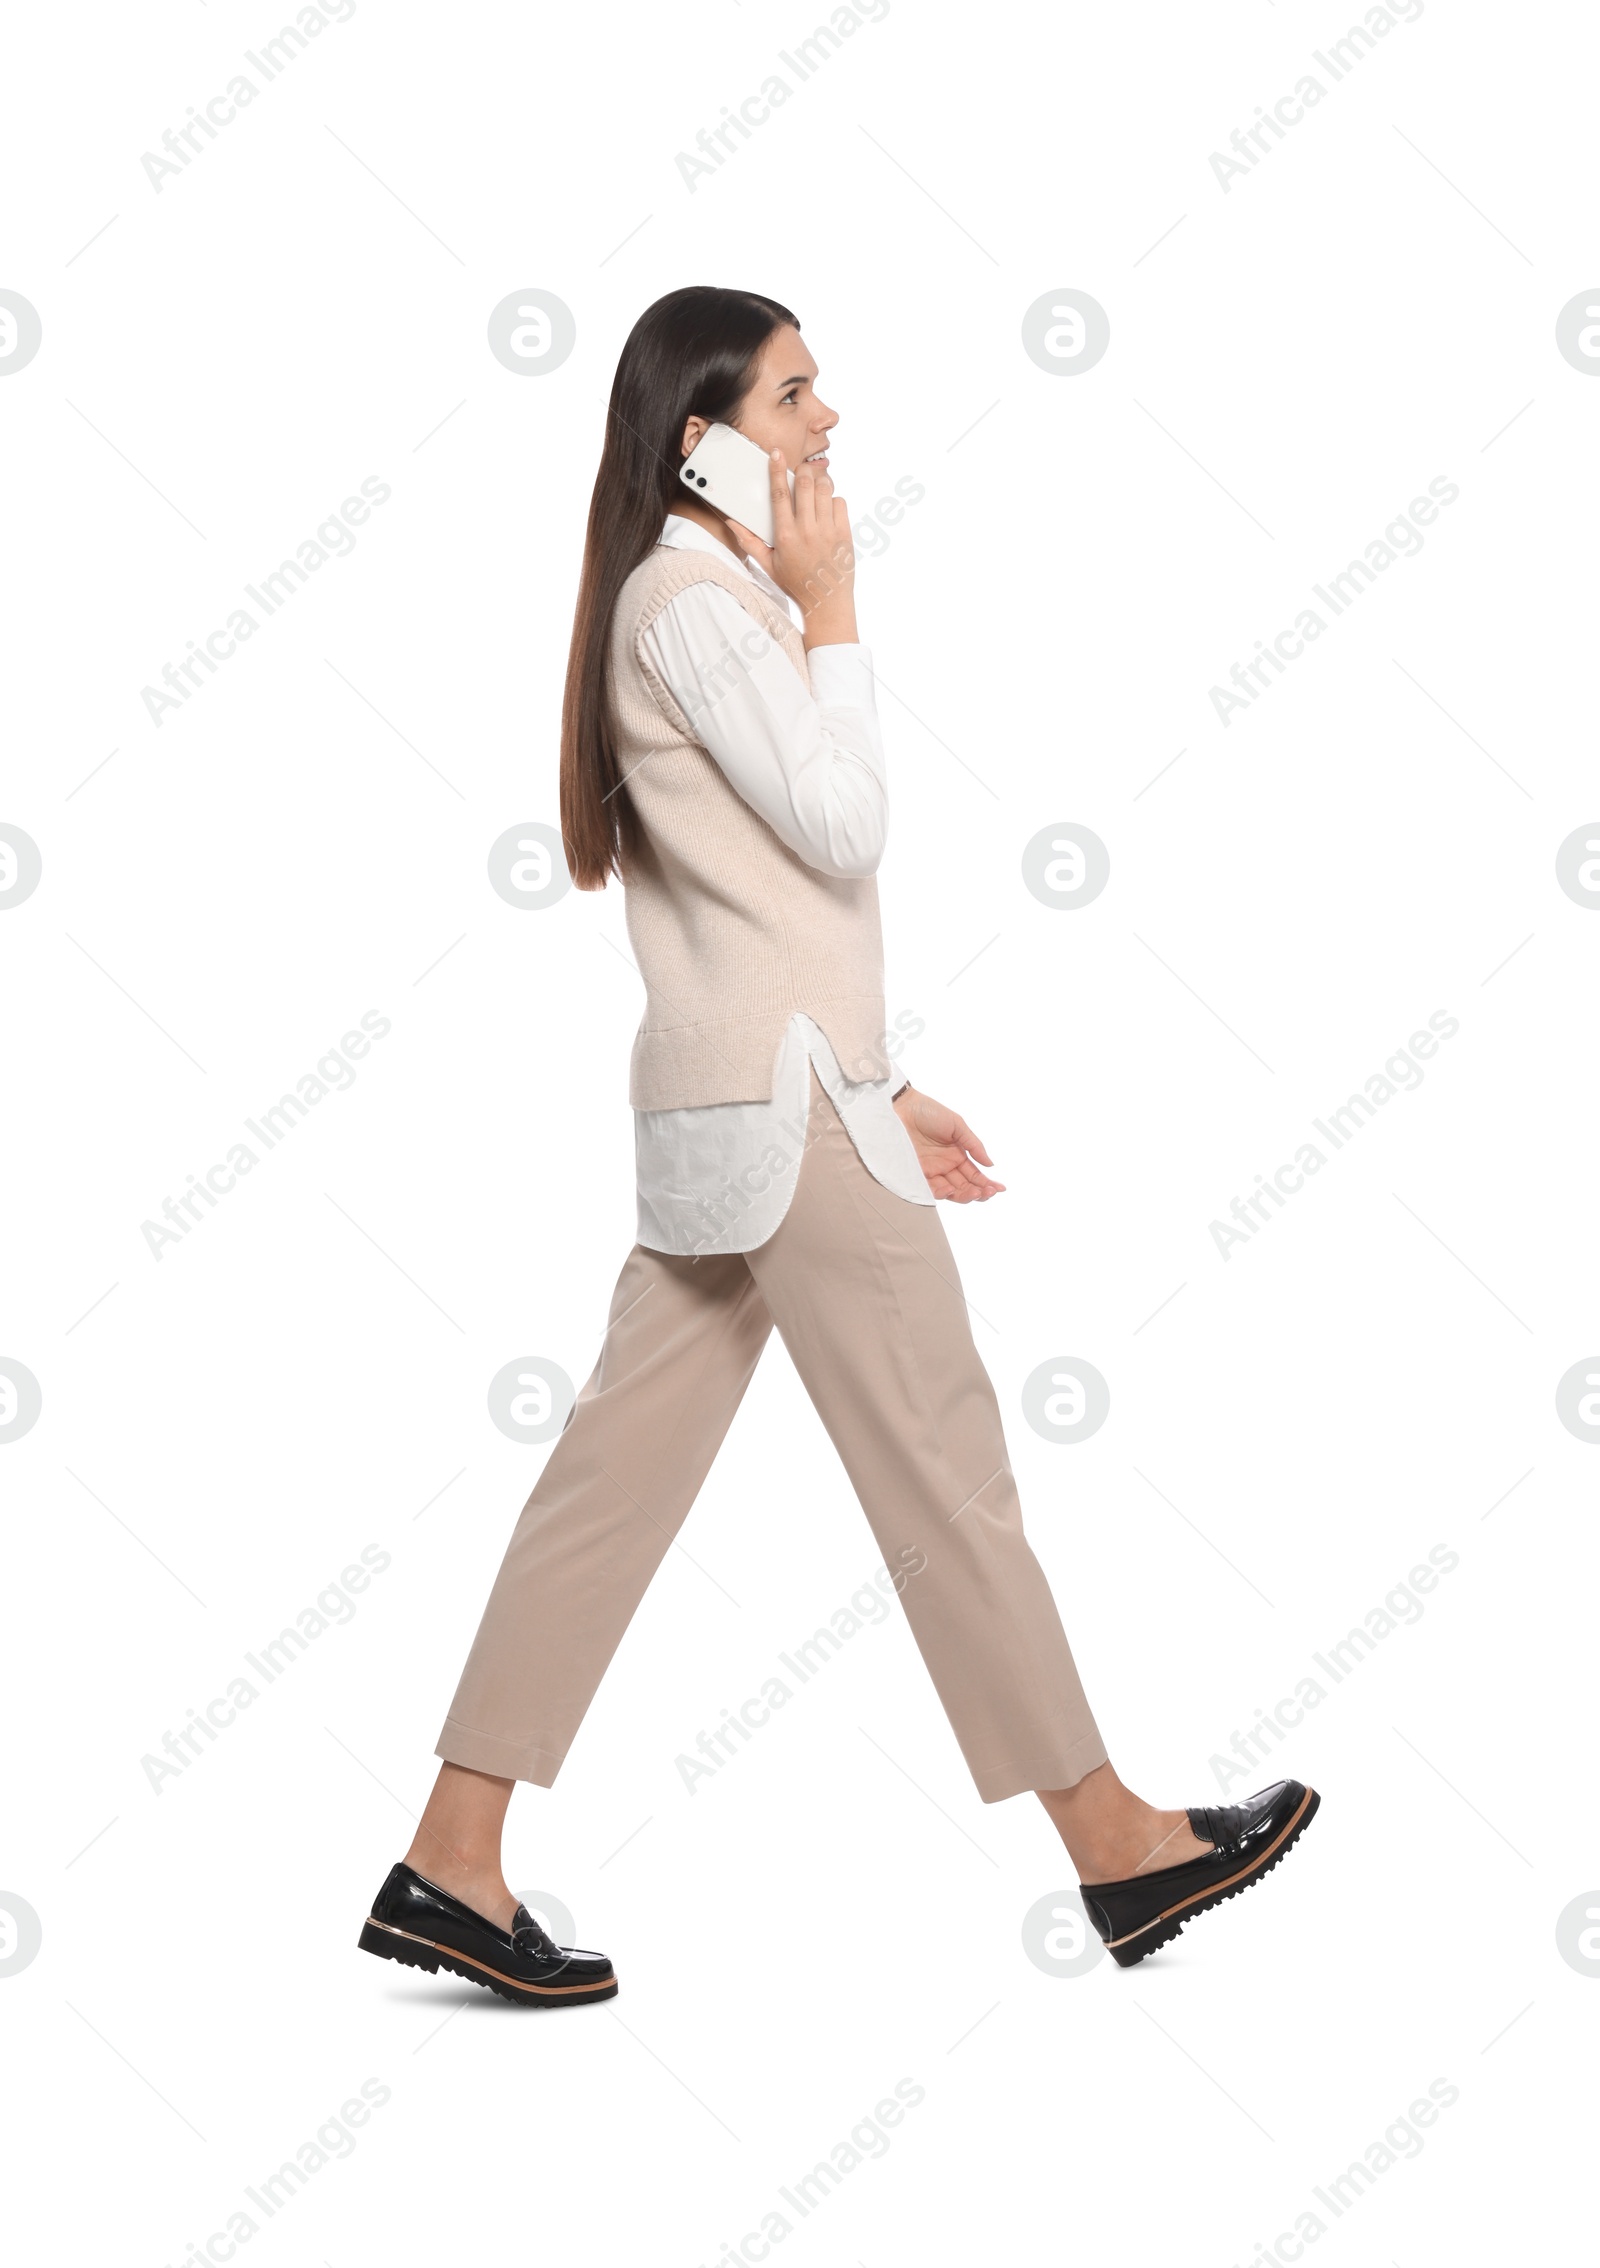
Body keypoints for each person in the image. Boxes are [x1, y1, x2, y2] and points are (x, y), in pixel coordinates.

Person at [357, 286, 1319, 2005]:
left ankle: (453, 1855)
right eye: (796, 393)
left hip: (754, 1110)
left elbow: (770, 897)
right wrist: (839, 608)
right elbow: (847, 818)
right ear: (699, 435)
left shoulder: (681, 598)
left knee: (604, 1496)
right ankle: (1111, 1839)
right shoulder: (708, 604)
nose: (828, 421)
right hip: (785, 1117)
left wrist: (882, 1087)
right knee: (945, 1466)